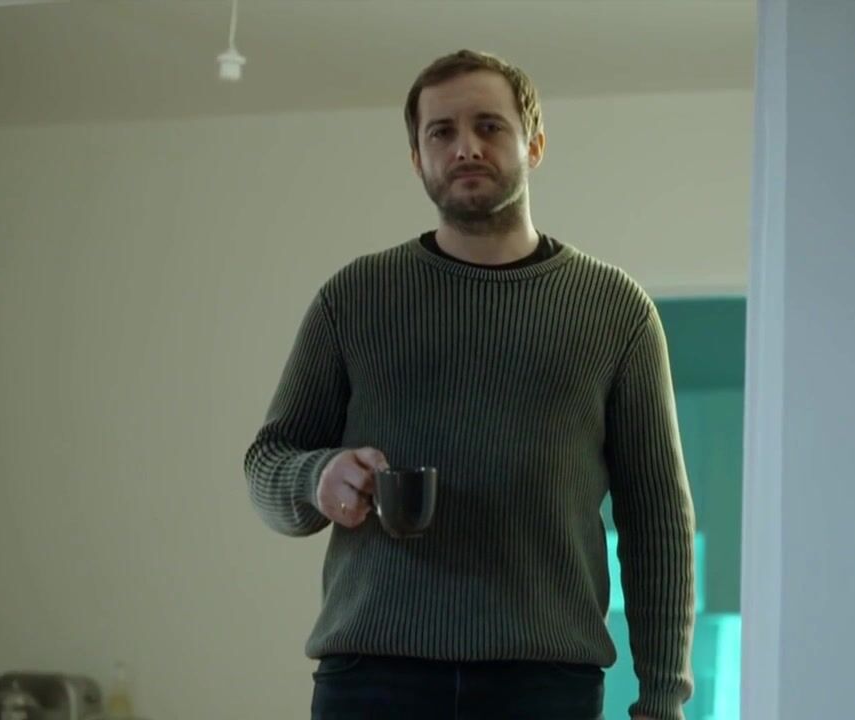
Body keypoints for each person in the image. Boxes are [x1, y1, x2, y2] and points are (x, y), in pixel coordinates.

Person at [243, 49, 696, 720]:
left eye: (489, 126)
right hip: (371, 679)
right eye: (442, 132)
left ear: (534, 145)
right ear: (417, 159)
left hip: (544, 686)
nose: (466, 148)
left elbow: (656, 518)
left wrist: (662, 700)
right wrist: (318, 478)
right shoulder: (355, 298)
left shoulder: (615, 310)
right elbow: (266, 463)